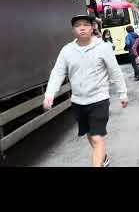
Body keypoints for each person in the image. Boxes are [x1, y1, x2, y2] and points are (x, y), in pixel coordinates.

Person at [43, 14, 128, 167]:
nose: (81, 28)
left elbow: (114, 71)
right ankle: (103, 157)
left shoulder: (103, 47)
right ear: (73, 30)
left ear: (92, 27)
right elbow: (58, 73)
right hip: (78, 102)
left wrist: (123, 93)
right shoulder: (67, 50)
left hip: (99, 99)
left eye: (85, 25)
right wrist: (50, 94)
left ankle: (98, 163)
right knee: (90, 135)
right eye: (77, 25)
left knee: (97, 137)